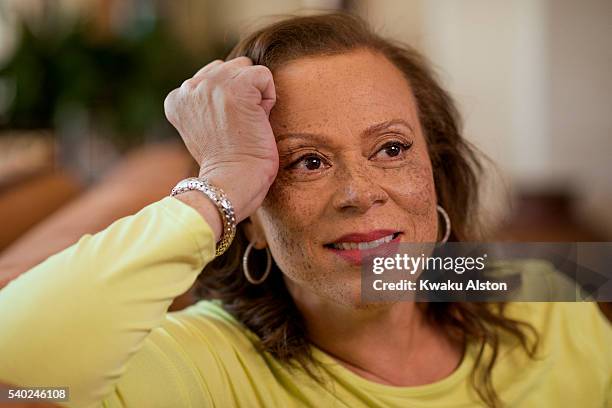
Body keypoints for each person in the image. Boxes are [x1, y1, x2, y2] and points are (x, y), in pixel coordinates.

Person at [0, 12, 610, 408]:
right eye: (306, 162)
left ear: (437, 172)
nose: (360, 192)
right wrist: (219, 186)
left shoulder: (543, 291)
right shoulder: (203, 364)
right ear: (254, 225)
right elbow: (16, 372)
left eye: (392, 149)